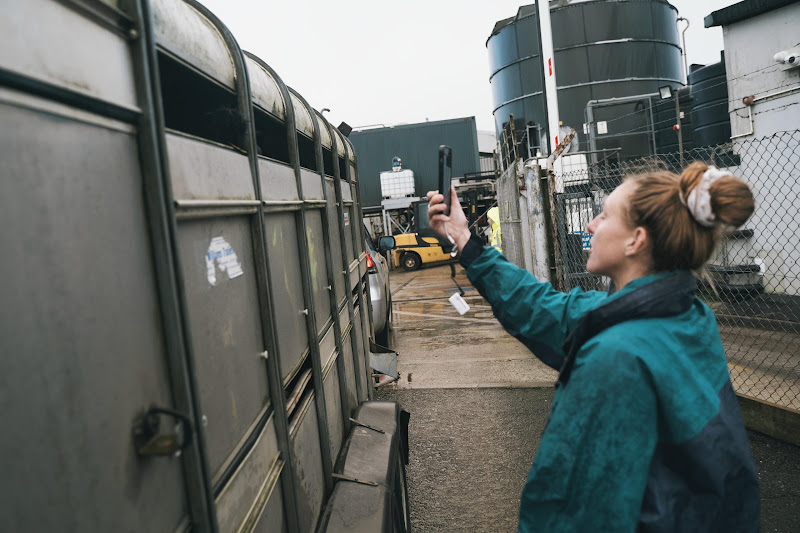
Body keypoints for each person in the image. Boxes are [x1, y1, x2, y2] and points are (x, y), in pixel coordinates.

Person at [427, 162, 760, 532]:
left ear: (635, 240)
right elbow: (541, 308)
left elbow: (572, 509)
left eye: (604, 215)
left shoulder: (616, 356)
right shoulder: (684, 313)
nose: (590, 225)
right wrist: (463, 237)